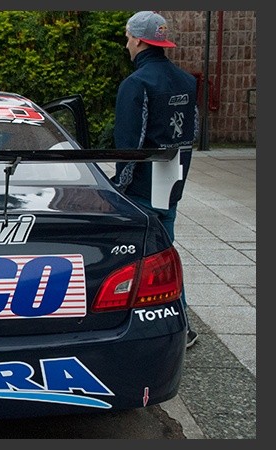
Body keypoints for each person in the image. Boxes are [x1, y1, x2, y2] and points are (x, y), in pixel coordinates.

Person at [111, 11, 199, 348]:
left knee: (142, 262)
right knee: (165, 252)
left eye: (128, 37)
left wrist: (119, 189)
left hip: (141, 190)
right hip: (171, 186)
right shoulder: (186, 81)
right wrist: (179, 184)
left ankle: (158, 327)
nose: (127, 43)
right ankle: (183, 322)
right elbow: (189, 136)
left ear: (139, 39)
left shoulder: (137, 84)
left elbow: (130, 144)